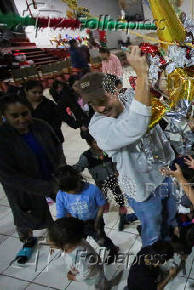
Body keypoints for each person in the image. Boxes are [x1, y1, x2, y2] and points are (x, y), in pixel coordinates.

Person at [73, 46, 175, 247]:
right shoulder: (98, 126)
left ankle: (169, 246)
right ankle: (153, 259)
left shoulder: (130, 97)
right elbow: (136, 126)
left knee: (170, 218)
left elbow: (161, 95)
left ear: (115, 90)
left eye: (102, 100)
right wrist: (141, 73)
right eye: (93, 104)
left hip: (165, 175)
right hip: (141, 189)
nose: (100, 108)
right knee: (152, 230)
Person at [0, 94, 65, 264]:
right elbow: (9, 176)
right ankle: (27, 241)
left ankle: (56, 236)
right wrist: (44, 187)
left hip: (52, 179)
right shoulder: (3, 138)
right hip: (23, 189)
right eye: (14, 116)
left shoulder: (41, 126)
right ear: (4, 116)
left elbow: (57, 149)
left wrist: (60, 174)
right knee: (25, 217)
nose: (21, 119)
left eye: (25, 113)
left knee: (57, 212)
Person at [55, 165, 119, 263]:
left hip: (94, 221)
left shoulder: (92, 190)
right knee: (80, 242)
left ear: (78, 178)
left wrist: (97, 222)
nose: (73, 192)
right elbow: (61, 216)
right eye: (69, 191)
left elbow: (102, 205)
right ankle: (86, 256)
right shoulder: (61, 195)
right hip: (75, 224)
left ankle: (112, 249)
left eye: (75, 188)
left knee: (101, 239)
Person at [73, 135, 133, 231]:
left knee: (118, 194)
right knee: (101, 195)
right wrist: (71, 171)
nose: (99, 144)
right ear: (89, 144)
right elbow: (79, 167)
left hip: (112, 178)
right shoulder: (86, 156)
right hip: (99, 180)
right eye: (95, 142)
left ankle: (122, 212)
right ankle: (105, 205)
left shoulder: (108, 151)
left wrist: (117, 170)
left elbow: (116, 161)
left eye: (99, 141)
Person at [47, 217, 123, 289]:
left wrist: (74, 278)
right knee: (101, 279)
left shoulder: (79, 256)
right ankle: (106, 283)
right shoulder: (78, 240)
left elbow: (86, 273)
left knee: (100, 285)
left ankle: (107, 286)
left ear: (66, 244)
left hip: (93, 275)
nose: (50, 244)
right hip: (95, 265)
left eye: (53, 244)